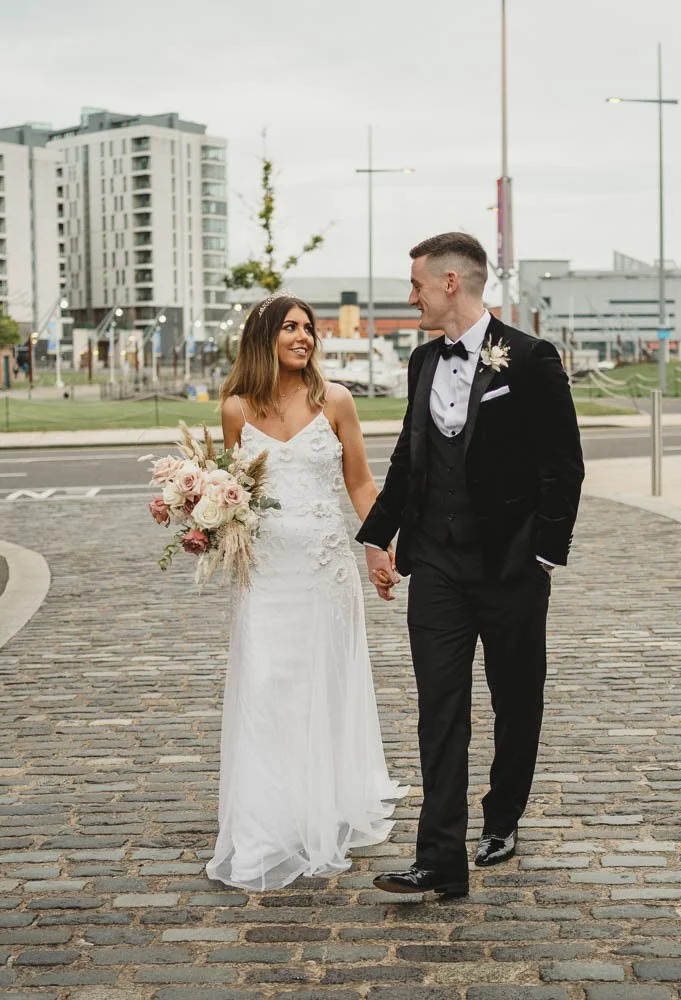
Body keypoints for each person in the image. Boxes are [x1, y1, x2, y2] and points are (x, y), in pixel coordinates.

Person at [357, 232, 584, 898]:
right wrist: (377, 536)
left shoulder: (531, 358)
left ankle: (503, 816)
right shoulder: (422, 360)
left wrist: (543, 553)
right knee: (440, 709)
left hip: (511, 568)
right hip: (437, 564)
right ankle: (438, 860)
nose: (411, 298)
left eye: (416, 285)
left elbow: (564, 465)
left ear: (450, 283)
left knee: (516, 702)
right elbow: (410, 456)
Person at [209, 292, 406, 891]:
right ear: (263, 338)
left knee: (322, 684)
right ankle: (268, 818)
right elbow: (229, 492)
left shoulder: (336, 401)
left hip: (325, 571)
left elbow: (361, 483)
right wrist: (205, 522)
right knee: (267, 684)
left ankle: (325, 799)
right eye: (290, 328)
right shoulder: (236, 409)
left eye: (308, 328)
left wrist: (380, 546)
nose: (303, 337)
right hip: (265, 574)